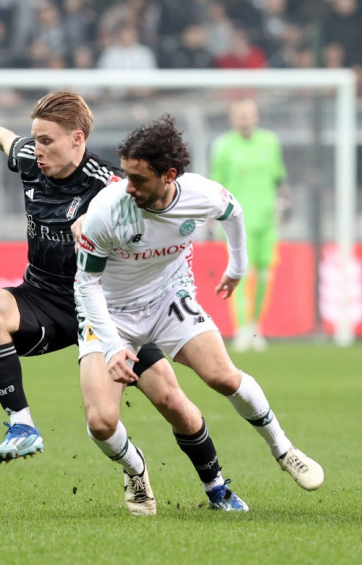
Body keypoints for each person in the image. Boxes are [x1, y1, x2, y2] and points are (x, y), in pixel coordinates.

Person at [0, 93, 247, 515]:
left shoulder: (112, 185)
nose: (36, 150)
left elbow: (158, 224)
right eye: (35, 140)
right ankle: (28, 427)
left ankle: (217, 487)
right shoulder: (30, 158)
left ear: (77, 138)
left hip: (111, 310)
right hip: (46, 299)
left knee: (172, 402)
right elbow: (5, 140)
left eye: (46, 141)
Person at [75, 114, 324, 496]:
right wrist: (112, 346)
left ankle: (284, 450)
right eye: (126, 175)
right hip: (111, 313)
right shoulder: (107, 210)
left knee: (222, 376)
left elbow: (233, 212)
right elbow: (86, 283)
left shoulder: (199, 195)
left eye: (138, 178)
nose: (128, 187)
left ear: (169, 176)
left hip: (167, 298)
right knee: (102, 422)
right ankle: (135, 468)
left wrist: (237, 266)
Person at [211, 98, 289, 352]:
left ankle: (257, 326)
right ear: (233, 117)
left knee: (265, 274)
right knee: (239, 274)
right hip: (236, 223)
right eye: (240, 114)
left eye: (249, 114)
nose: (245, 118)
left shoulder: (270, 142)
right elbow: (216, 185)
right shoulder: (223, 146)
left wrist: (286, 202)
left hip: (267, 221)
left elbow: (279, 179)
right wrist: (212, 218)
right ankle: (242, 329)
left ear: (256, 116)